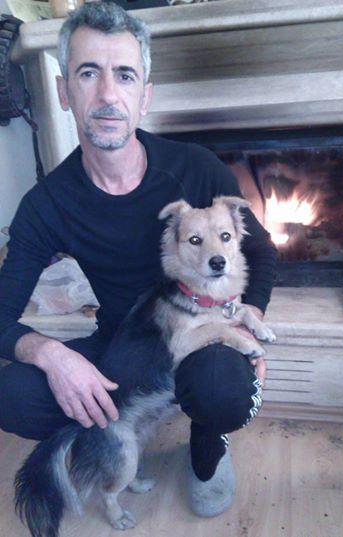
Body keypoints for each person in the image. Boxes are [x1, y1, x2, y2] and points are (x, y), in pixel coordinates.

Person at [0, 1, 277, 518]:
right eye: (89, 73)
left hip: (200, 329)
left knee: (223, 389)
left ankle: (206, 444)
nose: (108, 94)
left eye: (124, 75)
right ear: (64, 91)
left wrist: (250, 312)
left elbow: (262, 251)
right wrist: (50, 354)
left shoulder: (195, 168)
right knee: (11, 393)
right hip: (124, 344)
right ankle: (111, 446)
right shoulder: (46, 204)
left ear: (144, 96)